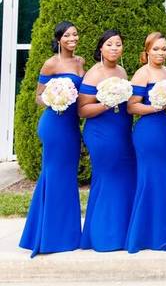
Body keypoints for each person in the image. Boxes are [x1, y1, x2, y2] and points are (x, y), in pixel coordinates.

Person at [19, 21, 85, 257]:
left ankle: (66, 235)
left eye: (75, 34)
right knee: (54, 175)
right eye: (67, 35)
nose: (72, 38)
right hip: (54, 124)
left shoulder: (80, 62)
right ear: (59, 39)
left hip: (71, 127)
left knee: (68, 177)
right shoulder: (51, 64)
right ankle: (47, 237)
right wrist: (55, 98)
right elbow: (38, 96)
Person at [78, 30, 136, 252]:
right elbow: (82, 110)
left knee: (124, 179)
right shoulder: (94, 74)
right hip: (101, 133)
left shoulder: (121, 70)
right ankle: (104, 237)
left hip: (122, 131)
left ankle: (121, 233)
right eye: (109, 44)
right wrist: (106, 102)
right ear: (100, 48)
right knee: (108, 179)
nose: (114, 48)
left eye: (118, 44)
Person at [126, 32, 166, 252]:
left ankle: (165, 231)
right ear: (147, 50)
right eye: (156, 49)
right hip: (149, 133)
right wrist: (155, 108)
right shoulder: (142, 73)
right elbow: (132, 106)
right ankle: (146, 236)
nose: (161, 53)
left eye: (164, 49)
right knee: (151, 181)